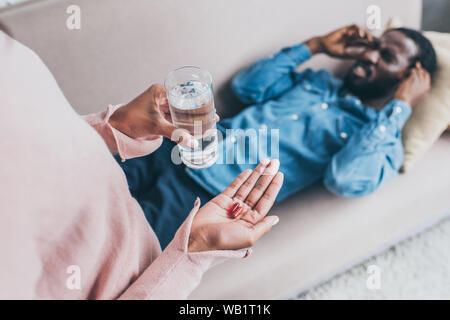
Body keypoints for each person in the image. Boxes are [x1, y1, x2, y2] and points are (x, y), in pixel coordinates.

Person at [0, 30, 284, 299]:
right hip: (140, 264)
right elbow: (247, 87)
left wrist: (113, 128)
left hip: (126, 176)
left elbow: (30, 146)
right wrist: (191, 256)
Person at [116, 25, 437, 248]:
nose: (369, 56)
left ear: (408, 79)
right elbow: (247, 87)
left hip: (204, 195)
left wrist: (401, 106)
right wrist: (317, 45)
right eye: (375, 46)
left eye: (388, 57)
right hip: (176, 145)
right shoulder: (317, 81)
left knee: (118, 237)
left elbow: (344, 178)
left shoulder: (384, 142)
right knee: (89, 185)